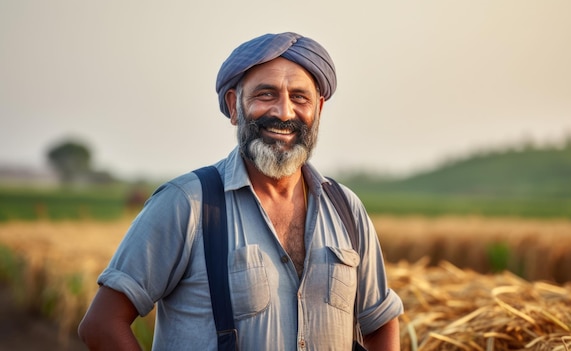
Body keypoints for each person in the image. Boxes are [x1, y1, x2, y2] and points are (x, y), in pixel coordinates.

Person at [78, 32, 403, 350]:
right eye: (266, 94)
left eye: (299, 97)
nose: (284, 112)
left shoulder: (346, 208)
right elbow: (102, 324)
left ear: (318, 109)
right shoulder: (187, 203)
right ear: (235, 106)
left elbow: (379, 323)